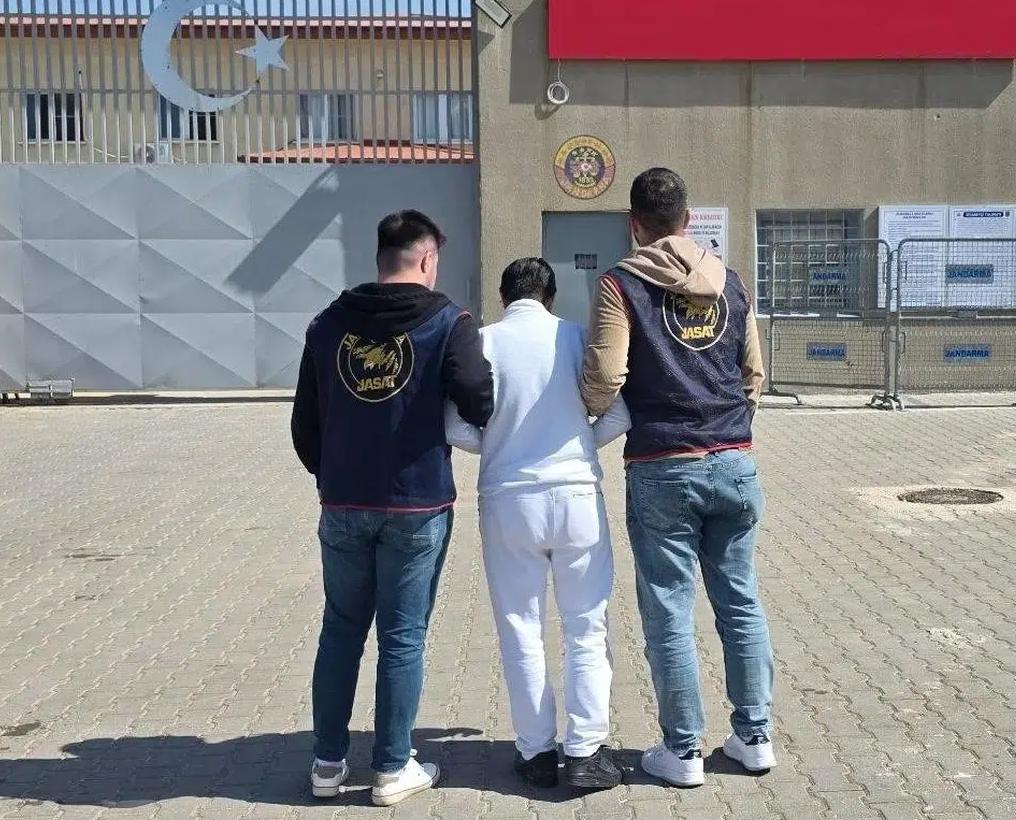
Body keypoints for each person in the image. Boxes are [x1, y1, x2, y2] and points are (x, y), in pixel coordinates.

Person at [291, 209, 494, 806]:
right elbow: (479, 399)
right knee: (402, 637)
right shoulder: (448, 321)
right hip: (416, 505)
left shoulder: (328, 324)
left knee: (340, 631)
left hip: (343, 503)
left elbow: (304, 425)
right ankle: (390, 768)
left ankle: (327, 765)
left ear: (381, 258)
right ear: (427, 259)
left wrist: (333, 475)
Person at [580, 168, 775, 788]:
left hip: (663, 465)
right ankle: (755, 738)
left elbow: (606, 375)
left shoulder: (621, 284)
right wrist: (729, 423)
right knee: (740, 602)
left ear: (634, 225)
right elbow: (754, 374)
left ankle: (683, 750)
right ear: (688, 221)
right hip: (734, 459)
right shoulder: (732, 282)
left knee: (669, 610)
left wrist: (583, 416)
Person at [445, 258, 631, 790]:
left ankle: (536, 753)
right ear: (550, 297)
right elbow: (620, 413)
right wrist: (579, 446)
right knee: (586, 626)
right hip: (576, 495)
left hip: (508, 499)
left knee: (521, 628)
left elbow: (455, 427)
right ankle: (586, 752)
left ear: (504, 298)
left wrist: (498, 447)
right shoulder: (578, 339)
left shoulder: (482, 343)